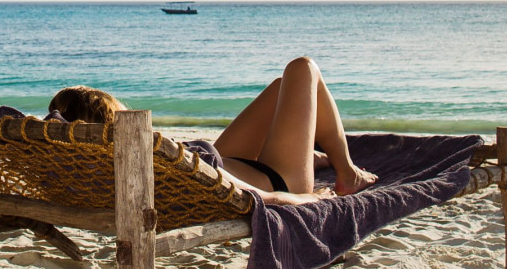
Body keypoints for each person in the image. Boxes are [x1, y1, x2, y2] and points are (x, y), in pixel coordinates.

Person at [48, 56, 377, 206]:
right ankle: (347, 172)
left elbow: (49, 120)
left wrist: (58, 120)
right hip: (275, 179)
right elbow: (257, 197)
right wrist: (304, 199)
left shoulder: (94, 163)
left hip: (222, 162)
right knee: (302, 69)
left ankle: (315, 157)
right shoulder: (147, 161)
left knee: (281, 88)